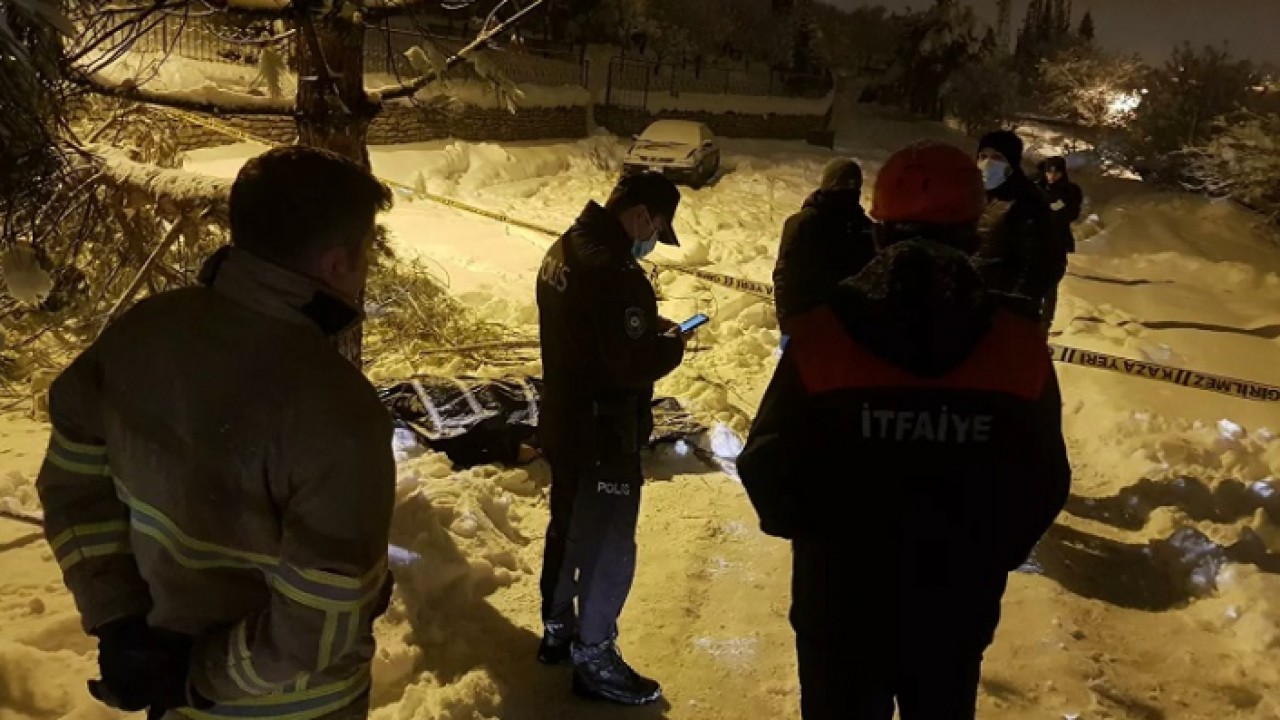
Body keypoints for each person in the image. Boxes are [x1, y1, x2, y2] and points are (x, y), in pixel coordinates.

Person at [37, 147, 397, 720]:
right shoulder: (338, 411)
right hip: (299, 708)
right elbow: (321, 620)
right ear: (338, 263)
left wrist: (119, 621)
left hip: (167, 685)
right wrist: (197, 675)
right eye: (367, 251)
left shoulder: (138, 335)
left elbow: (73, 490)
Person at [738, 141, 1072, 720]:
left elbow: (767, 464)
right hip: (954, 615)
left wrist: (829, 539)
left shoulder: (823, 335)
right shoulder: (1017, 346)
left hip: (838, 612)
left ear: (879, 231)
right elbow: (1042, 483)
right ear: (973, 234)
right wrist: (981, 554)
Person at [535, 172, 689, 705]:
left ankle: (557, 630)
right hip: (604, 434)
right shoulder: (616, 274)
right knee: (607, 546)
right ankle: (595, 658)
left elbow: (594, 329)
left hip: (563, 418)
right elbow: (630, 363)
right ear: (642, 215)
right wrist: (672, 344)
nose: (653, 240)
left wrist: (640, 326)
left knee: (567, 528)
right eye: (658, 229)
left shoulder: (565, 248)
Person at [772, 158, 876, 333]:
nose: (850, 191)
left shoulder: (863, 227)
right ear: (830, 184)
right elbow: (786, 277)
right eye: (844, 184)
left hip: (851, 328)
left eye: (854, 185)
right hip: (809, 322)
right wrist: (789, 325)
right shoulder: (804, 223)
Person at [974, 130, 1062, 325]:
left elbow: (1046, 261)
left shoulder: (1028, 201)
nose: (987, 163)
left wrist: (1016, 304)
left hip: (1005, 316)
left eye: (997, 158)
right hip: (974, 307)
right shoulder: (976, 195)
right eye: (983, 156)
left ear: (1011, 162)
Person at [1036, 155, 1084, 333]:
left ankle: (1045, 324)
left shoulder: (1069, 191)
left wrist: (1058, 209)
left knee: (1050, 285)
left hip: (1057, 243)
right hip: (1035, 242)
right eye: (1049, 172)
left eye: (1056, 173)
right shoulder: (1036, 189)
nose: (1052, 176)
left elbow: (1071, 213)